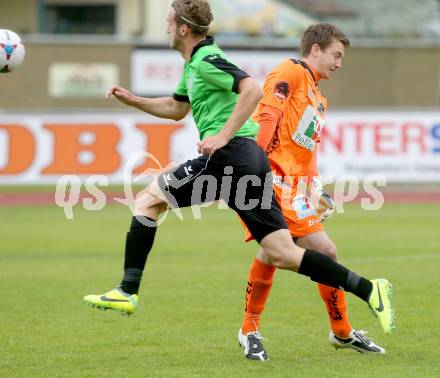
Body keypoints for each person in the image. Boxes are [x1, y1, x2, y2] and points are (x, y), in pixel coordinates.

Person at [83, 0, 395, 358]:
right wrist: (133, 99)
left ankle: (127, 290)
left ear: (183, 28)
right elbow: (176, 108)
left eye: (169, 22)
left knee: (147, 201)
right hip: (255, 164)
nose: (166, 27)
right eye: (336, 55)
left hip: (231, 159)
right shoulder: (196, 65)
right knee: (281, 253)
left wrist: (223, 137)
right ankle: (369, 289)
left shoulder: (207, 58)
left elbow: (251, 90)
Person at [238, 23, 386, 361]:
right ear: (315, 49)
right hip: (267, 179)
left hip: (291, 187)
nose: (339, 62)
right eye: (336, 54)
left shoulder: (319, 98)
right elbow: (268, 115)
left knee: (282, 253)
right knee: (312, 251)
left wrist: (315, 187)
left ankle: (336, 332)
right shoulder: (290, 71)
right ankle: (337, 332)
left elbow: (306, 150)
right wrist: (256, 163)